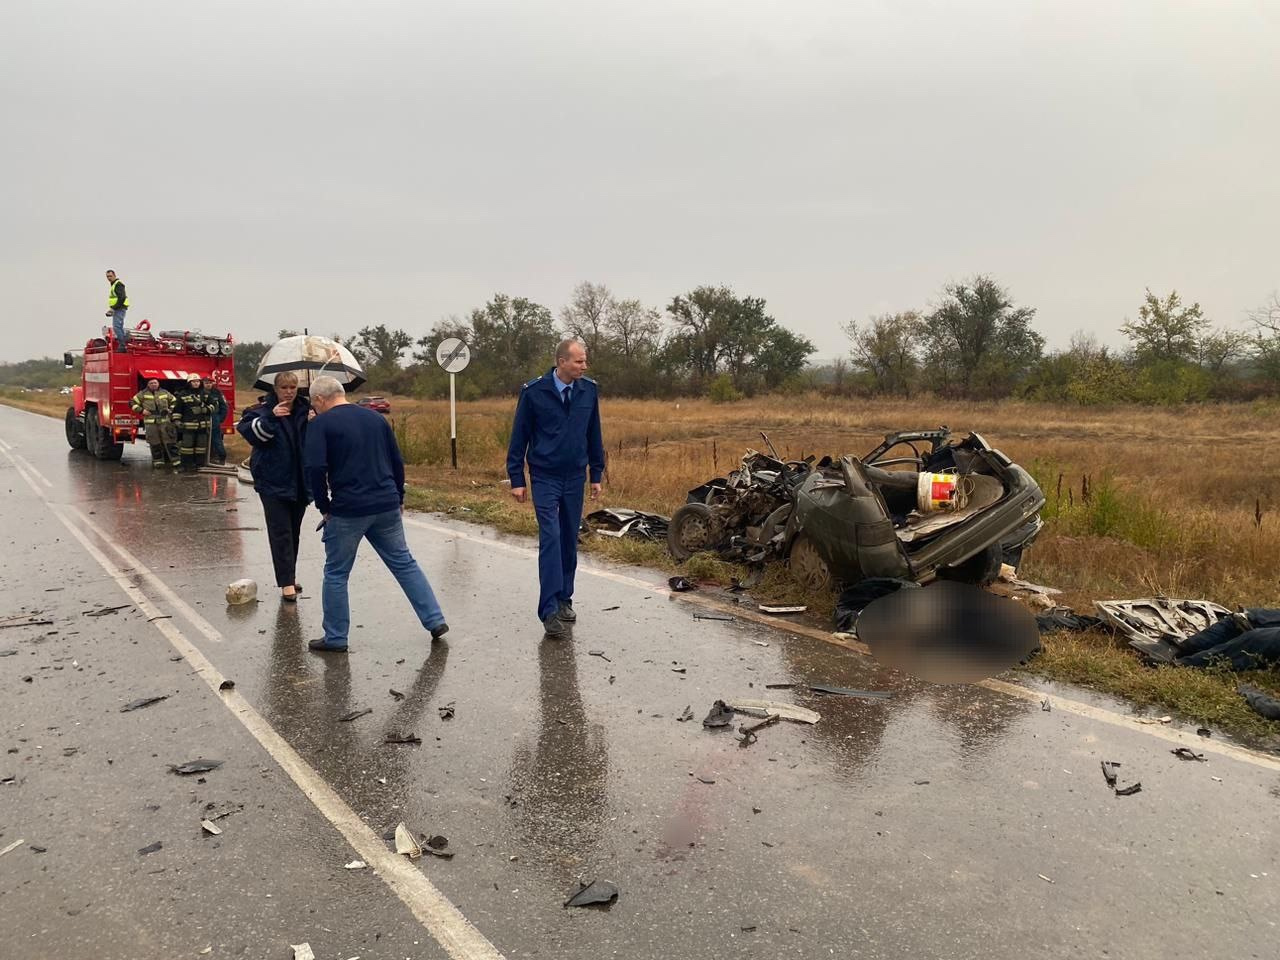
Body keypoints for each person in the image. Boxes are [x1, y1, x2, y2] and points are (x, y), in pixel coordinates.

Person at [303, 374, 448, 653]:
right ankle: (434, 619)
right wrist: (399, 497)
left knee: (336, 572)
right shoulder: (375, 419)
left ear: (320, 399)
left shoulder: (320, 424)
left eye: (314, 403)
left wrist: (324, 507)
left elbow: (315, 469)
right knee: (404, 563)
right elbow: (396, 461)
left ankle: (335, 637)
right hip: (386, 504)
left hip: (348, 509)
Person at [506, 339, 605, 637]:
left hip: (575, 476)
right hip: (545, 476)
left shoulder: (589, 390)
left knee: (568, 539)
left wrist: (596, 474)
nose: (584, 366)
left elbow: (594, 433)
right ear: (561, 361)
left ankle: (564, 598)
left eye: (584, 361)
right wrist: (517, 479)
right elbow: (518, 437)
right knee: (550, 537)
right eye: (578, 361)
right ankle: (548, 610)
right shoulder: (534, 392)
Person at [237, 372, 312, 602]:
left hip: (300, 482)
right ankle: (286, 582)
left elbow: (319, 441)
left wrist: (316, 421)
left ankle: (290, 575)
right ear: (275, 388)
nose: (289, 391)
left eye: (293, 387)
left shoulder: (306, 410)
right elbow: (254, 435)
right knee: (280, 533)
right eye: (284, 387)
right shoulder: (259, 410)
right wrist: (272, 416)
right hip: (273, 482)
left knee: (294, 532)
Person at [129, 378, 180, 468]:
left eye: (155, 383)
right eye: (151, 383)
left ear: (158, 383)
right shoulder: (143, 394)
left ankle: (176, 461)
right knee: (154, 442)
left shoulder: (165, 392)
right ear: (148, 385)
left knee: (170, 441)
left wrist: (170, 409)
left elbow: (175, 401)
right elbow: (132, 403)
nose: (153, 384)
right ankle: (158, 462)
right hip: (151, 422)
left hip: (165, 422)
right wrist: (141, 410)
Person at [174, 374, 213, 472]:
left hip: (202, 425)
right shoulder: (183, 394)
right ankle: (186, 465)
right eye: (193, 381)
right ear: (189, 383)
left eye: (197, 381)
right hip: (188, 425)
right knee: (187, 447)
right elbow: (178, 408)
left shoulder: (206, 393)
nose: (196, 383)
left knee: (201, 447)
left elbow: (214, 406)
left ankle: (199, 465)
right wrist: (177, 420)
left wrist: (202, 410)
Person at [203, 376, 229, 464]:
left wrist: (220, 419)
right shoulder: (199, 392)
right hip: (202, 418)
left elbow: (224, 407)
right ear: (203, 383)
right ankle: (203, 458)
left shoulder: (217, 392)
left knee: (216, 439)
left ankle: (221, 457)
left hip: (214, 418)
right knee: (202, 439)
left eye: (210, 383)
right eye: (206, 383)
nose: (208, 385)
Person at [105, 269, 129, 353]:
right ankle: (123, 344)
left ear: (114, 275)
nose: (109, 278)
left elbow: (122, 297)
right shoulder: (114, 284)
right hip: (118, 308)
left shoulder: (118, 284)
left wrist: (113, 308)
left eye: (110, 276)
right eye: (107, 276)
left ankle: (122, 346)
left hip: (119, 308)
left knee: (116, 327)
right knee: (119, 327)